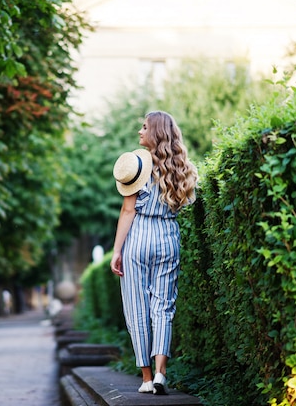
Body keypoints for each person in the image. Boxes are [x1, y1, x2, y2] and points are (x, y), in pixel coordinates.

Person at [110, 110, 198, 395]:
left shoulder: (137, 166)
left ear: (155, 132)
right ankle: (162, 373)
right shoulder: (180, 166)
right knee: (163, 307)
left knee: (137, 307)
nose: (140, 131)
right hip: (168, 235)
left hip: (140, 236)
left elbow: (128, 210)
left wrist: (116, 250)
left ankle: (146, 379)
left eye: (144, 127)